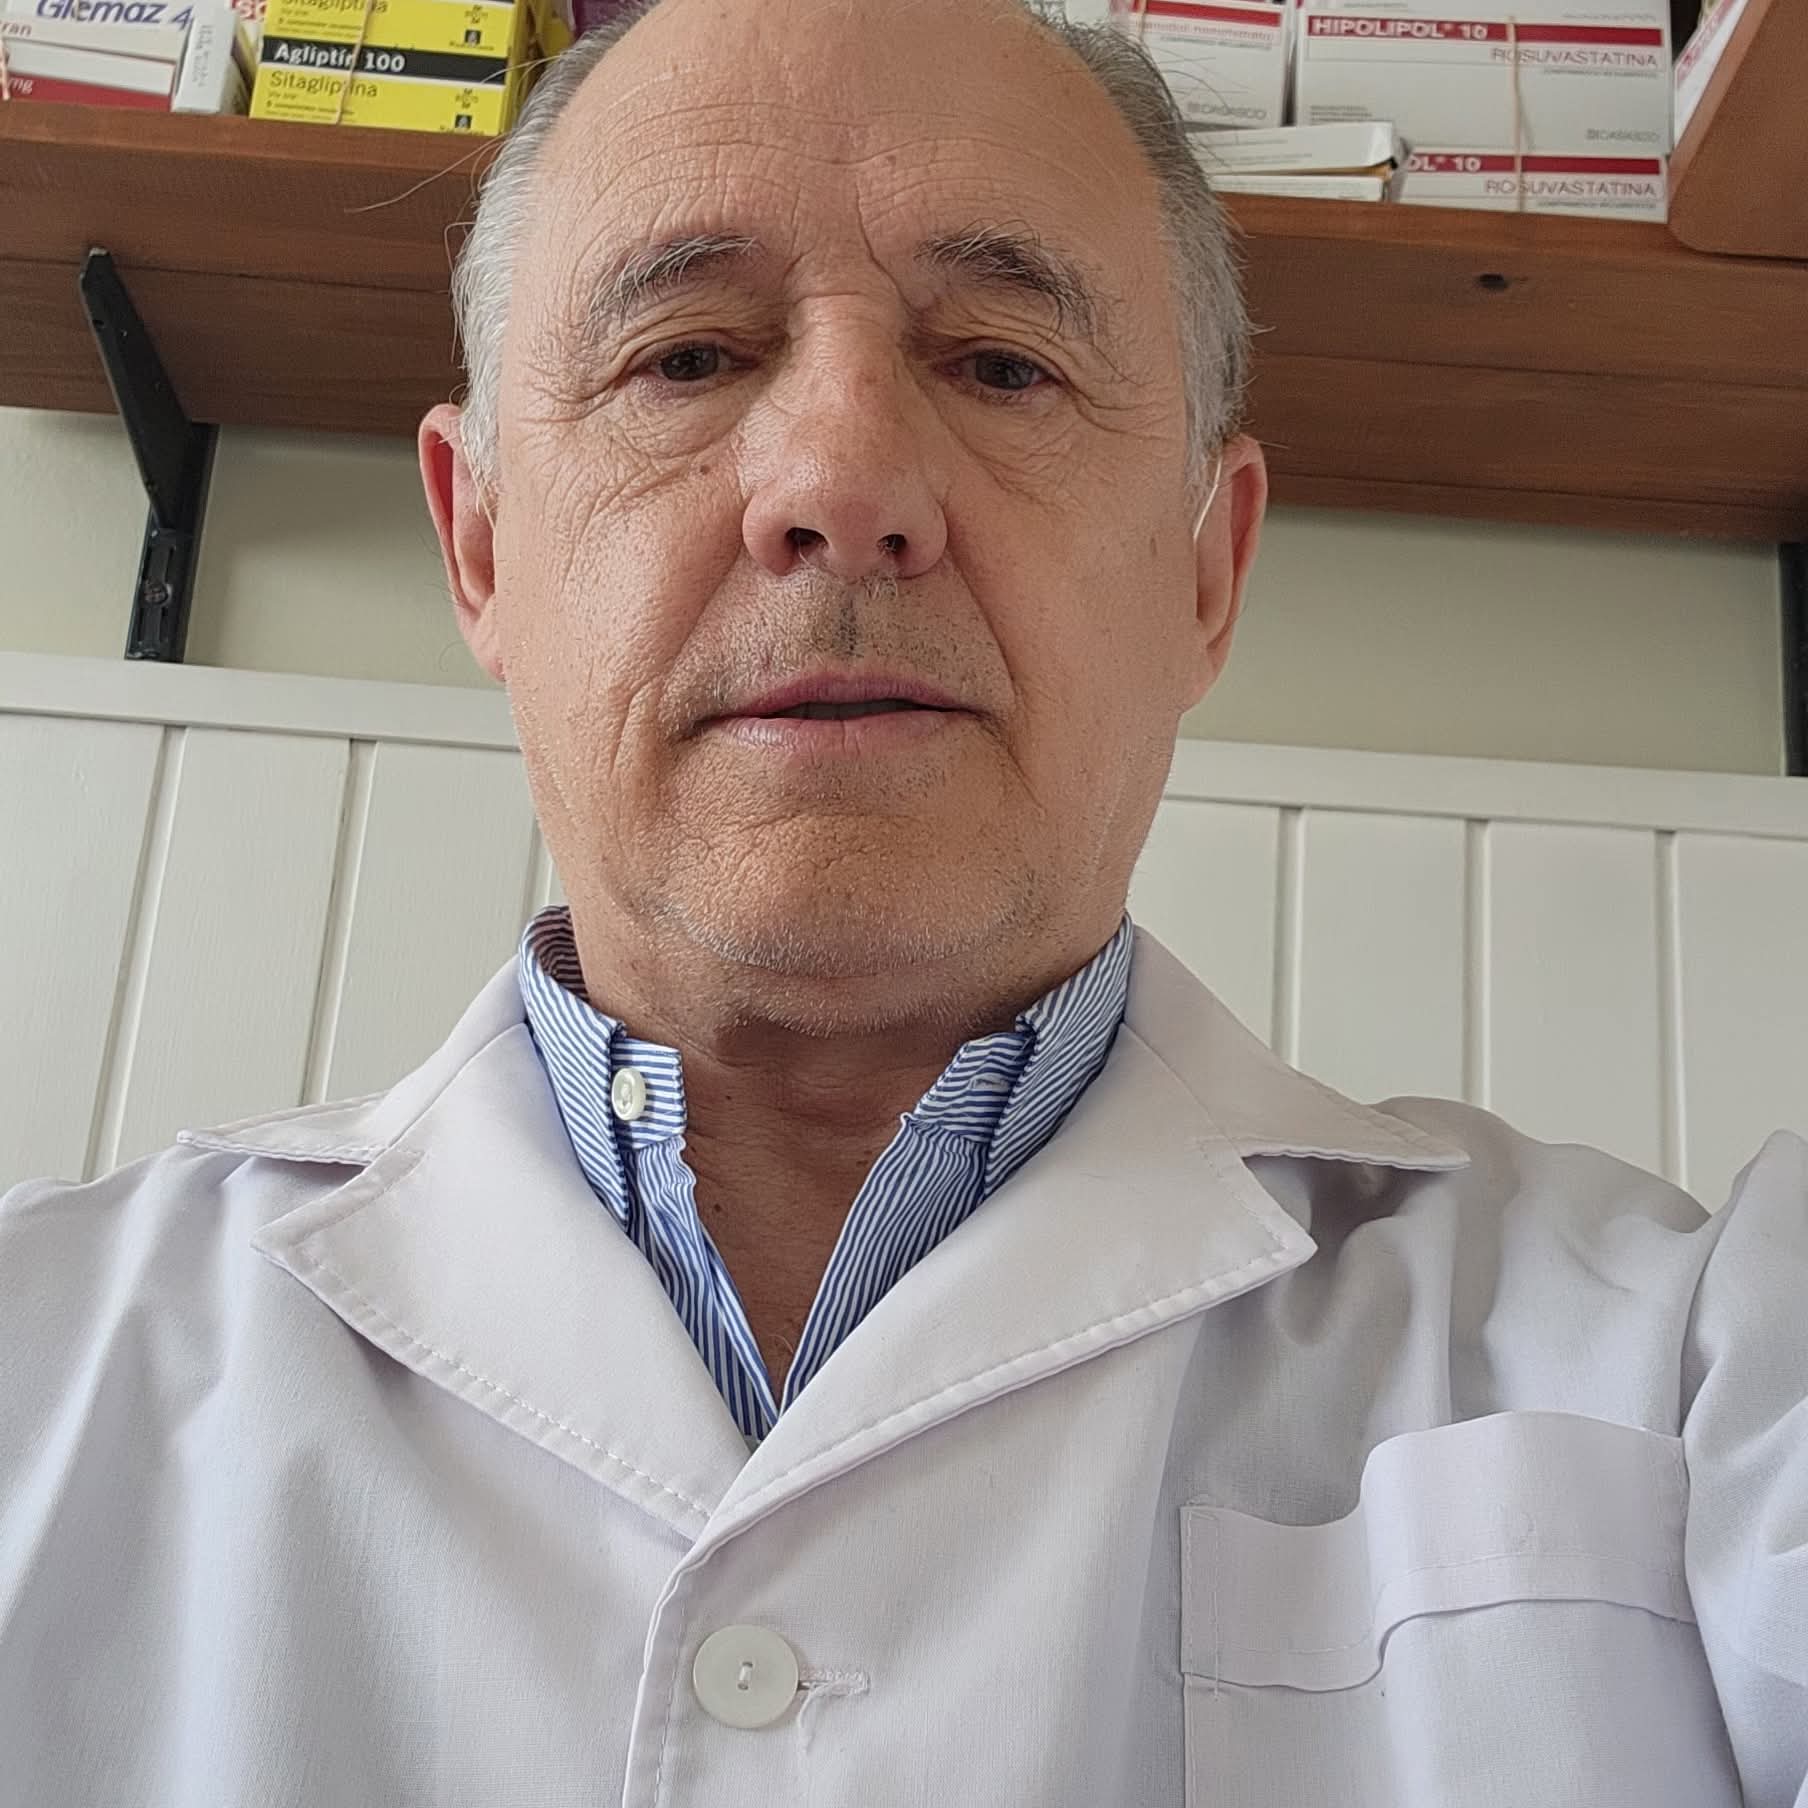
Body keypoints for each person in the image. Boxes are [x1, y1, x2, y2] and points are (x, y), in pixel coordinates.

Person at [1, 0, 1803, 1800]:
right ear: (480, 542)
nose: (843, 485)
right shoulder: (36, 1357)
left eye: (1005, 365)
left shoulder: (1697, 1358)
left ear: (1207, 570)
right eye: (687, 358)